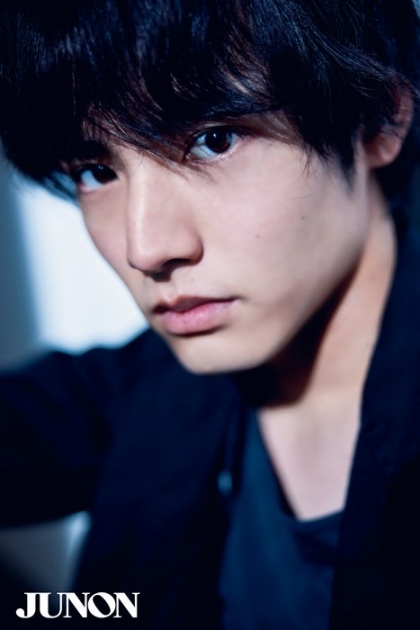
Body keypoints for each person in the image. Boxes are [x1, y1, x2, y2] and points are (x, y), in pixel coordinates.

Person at [0, 0, 420, 627]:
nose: (146, 247)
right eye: (96, 171)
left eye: (212, 141)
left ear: (377, 120)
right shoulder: (144, 390)